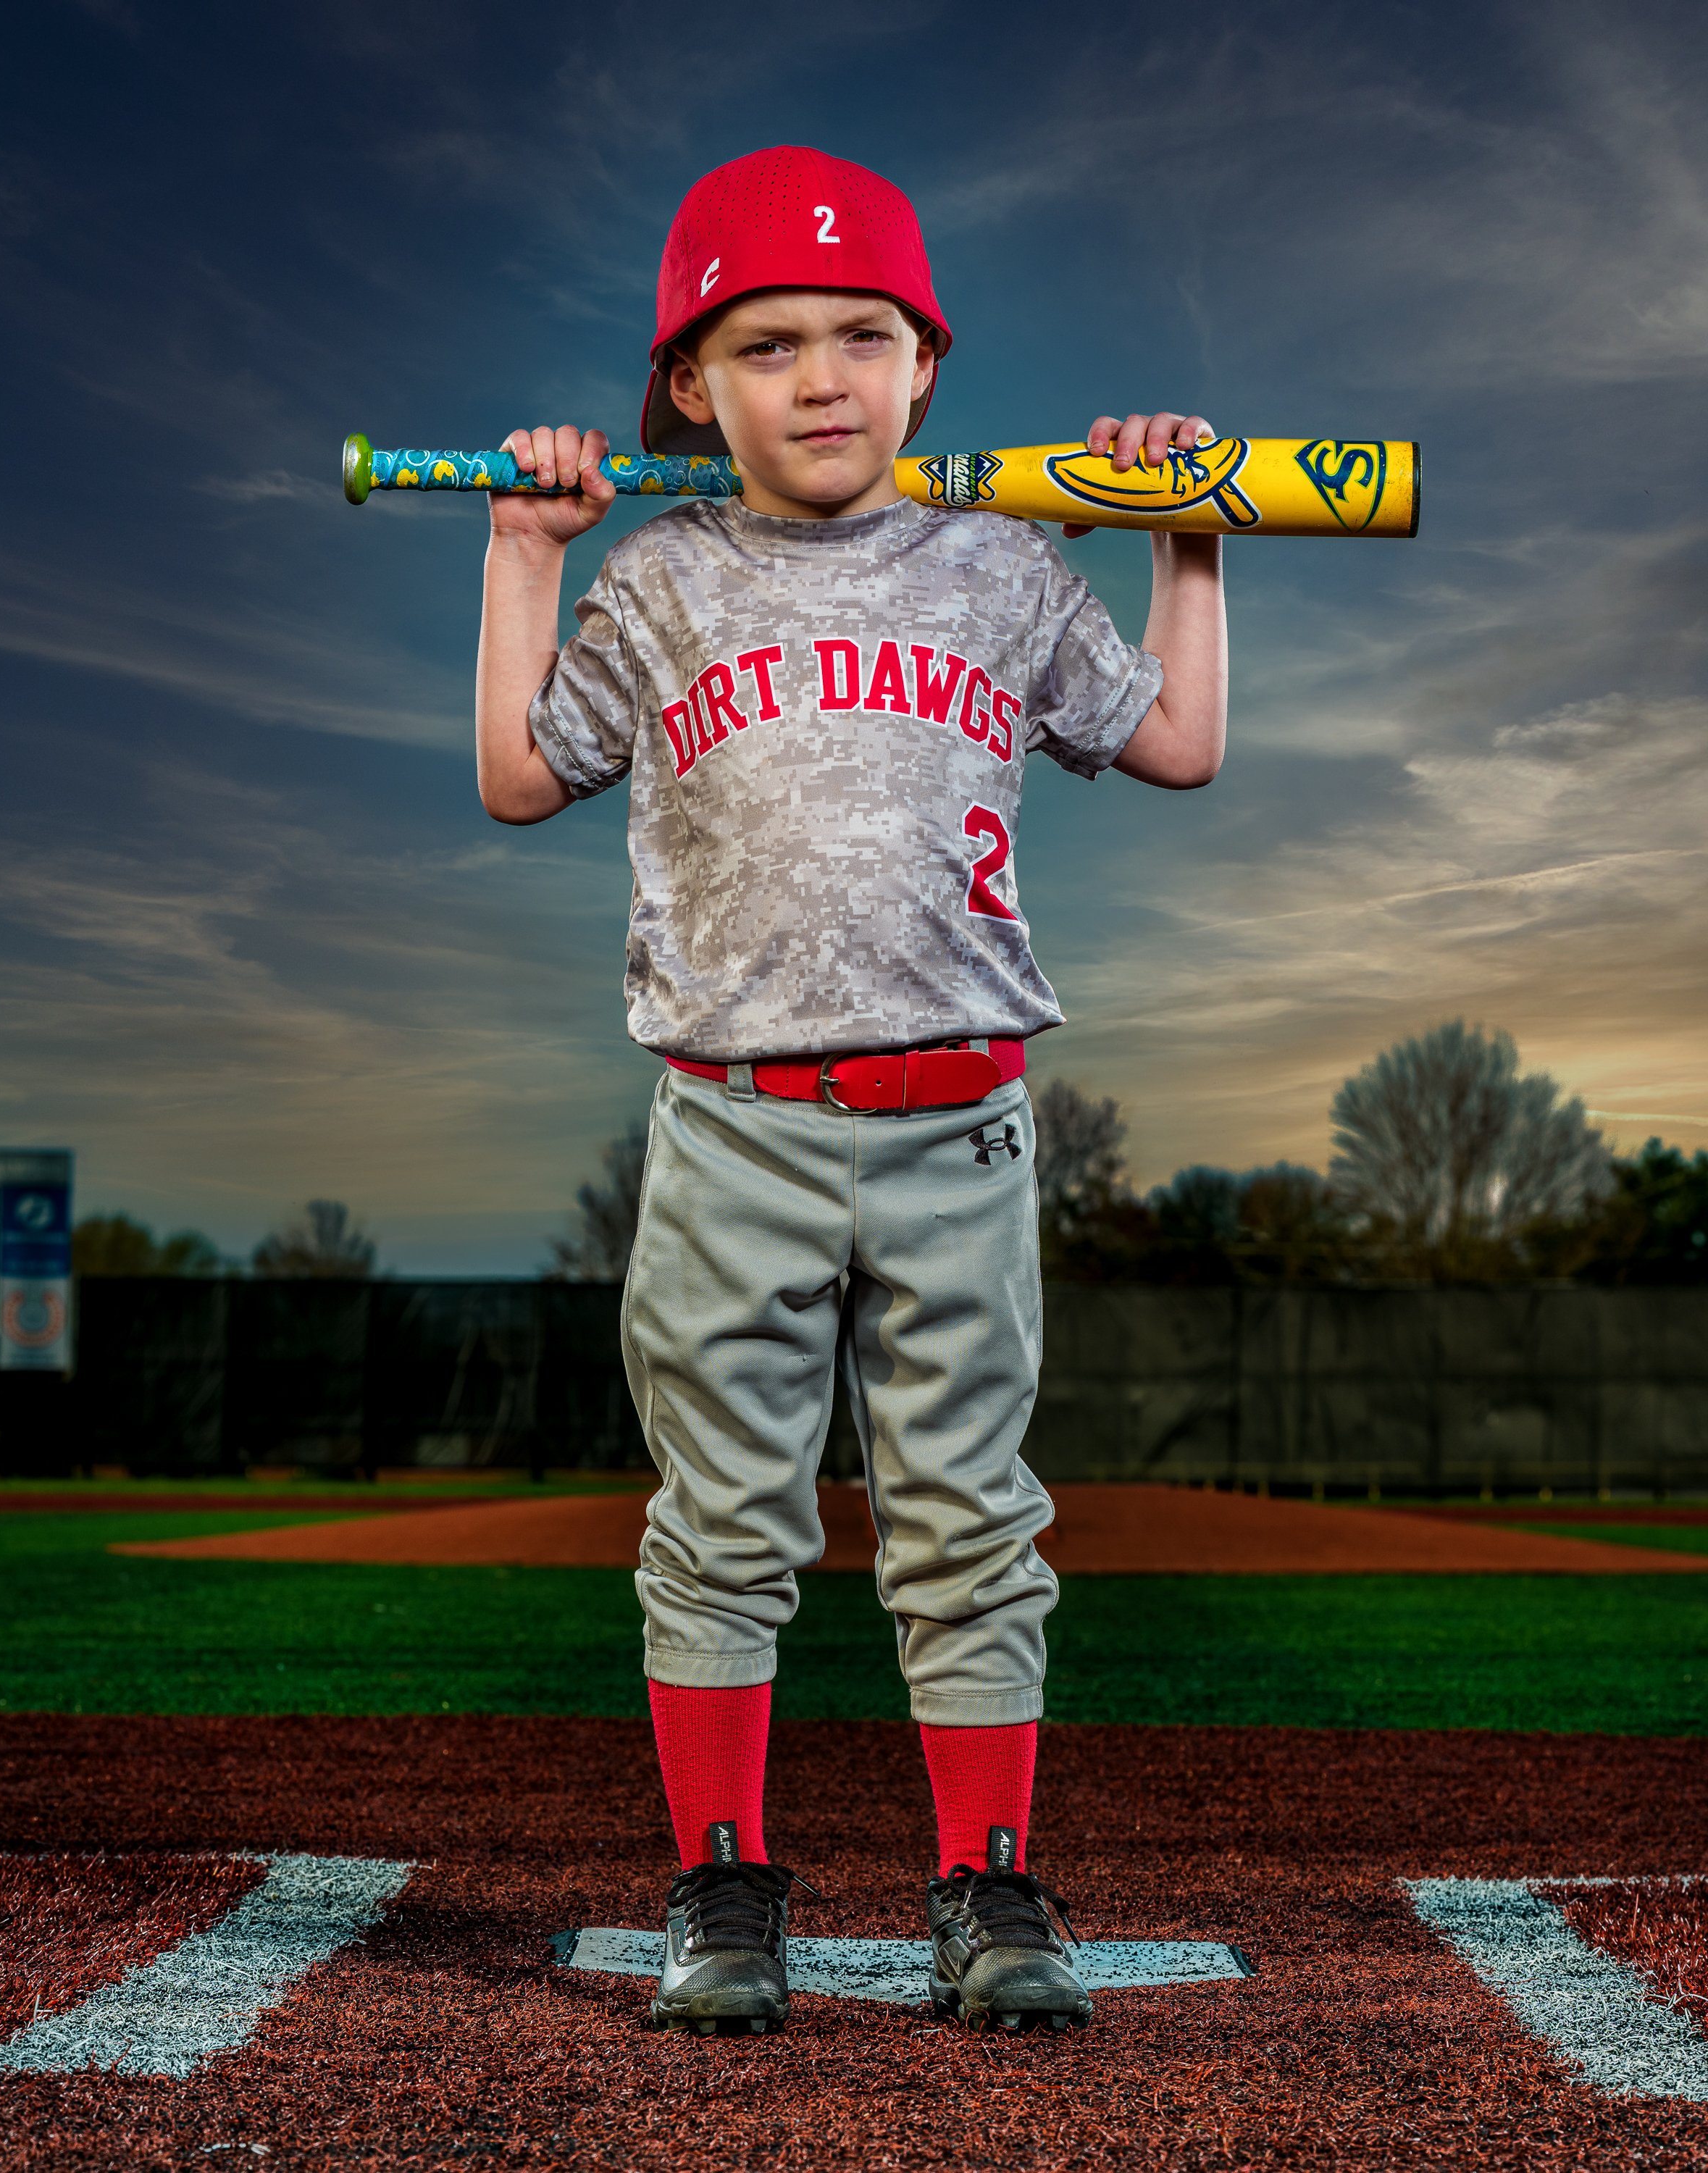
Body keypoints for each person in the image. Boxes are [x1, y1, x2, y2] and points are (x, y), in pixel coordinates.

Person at [474, 145, 1227, 2037]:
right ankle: (722, 1883)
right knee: (726, 1514)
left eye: (864, 335)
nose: (821, 376)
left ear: (928, 369)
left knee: (970, 1511)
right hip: (731, 1118)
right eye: (767, 342)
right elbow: (516, 775)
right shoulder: (658, 581)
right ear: (690, 389)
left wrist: (1191, 539)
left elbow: (1180, 745)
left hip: (963, 1116)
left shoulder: (1000, 565)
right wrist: (522, 554)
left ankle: (985, 1884)